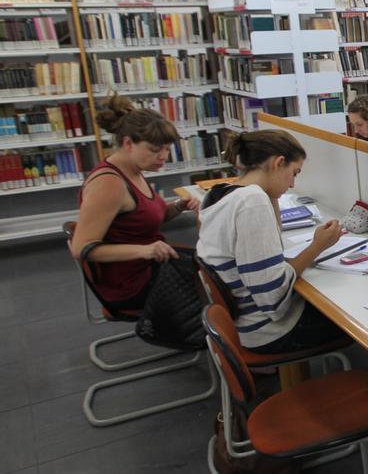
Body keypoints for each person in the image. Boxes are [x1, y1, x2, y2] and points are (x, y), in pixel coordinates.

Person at [196, 130, 349, 353]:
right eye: (294, 173)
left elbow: (272, 245)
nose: (293, 184)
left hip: (243, 321)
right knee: (361, 323)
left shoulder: (219, 193)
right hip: (269, 330)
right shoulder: (252, 201)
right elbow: (273, 297)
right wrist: (318, 246)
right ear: (278, 162)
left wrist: (272, 191)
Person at [70, 96, 200, 310]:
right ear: (128, 143)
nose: (163, 157)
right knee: (216, 282)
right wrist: (145, 251)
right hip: (131, 282)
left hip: (148, 265)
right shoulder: (110, 184)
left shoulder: (133, 170)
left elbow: (143, 220)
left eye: (167, 149)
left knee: (212, 266)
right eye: (155, 149)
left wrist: (178, 206)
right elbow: (81, 248)